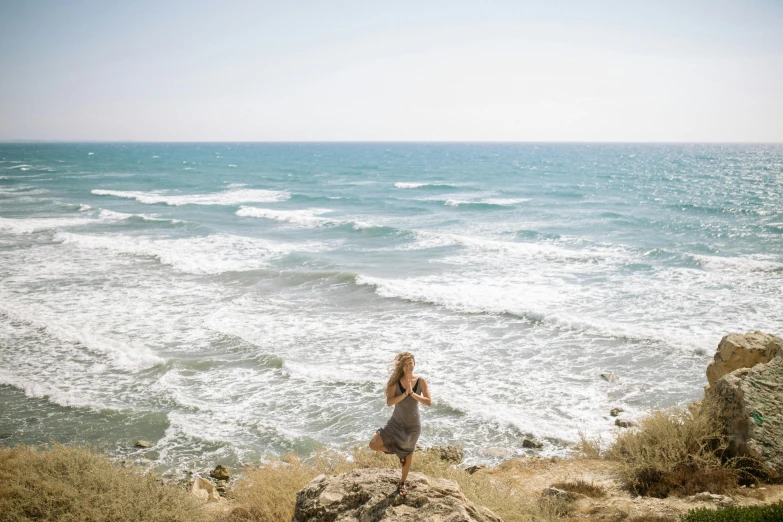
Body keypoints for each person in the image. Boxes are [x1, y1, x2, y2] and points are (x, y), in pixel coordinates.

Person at [368, 351, 432, 497]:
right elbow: (389, 402)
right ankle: (398, 452)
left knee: (408, 456)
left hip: (413, 427)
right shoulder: (395, 383)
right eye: (406, 364)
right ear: (401, 366)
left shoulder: (421, 381)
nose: (409, 366)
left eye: (411, 363)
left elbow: (429, 402)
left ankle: (402, 483)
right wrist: (404, 394)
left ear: (414, 364)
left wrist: (413, 394)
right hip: (395, 423)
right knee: (373, 444)